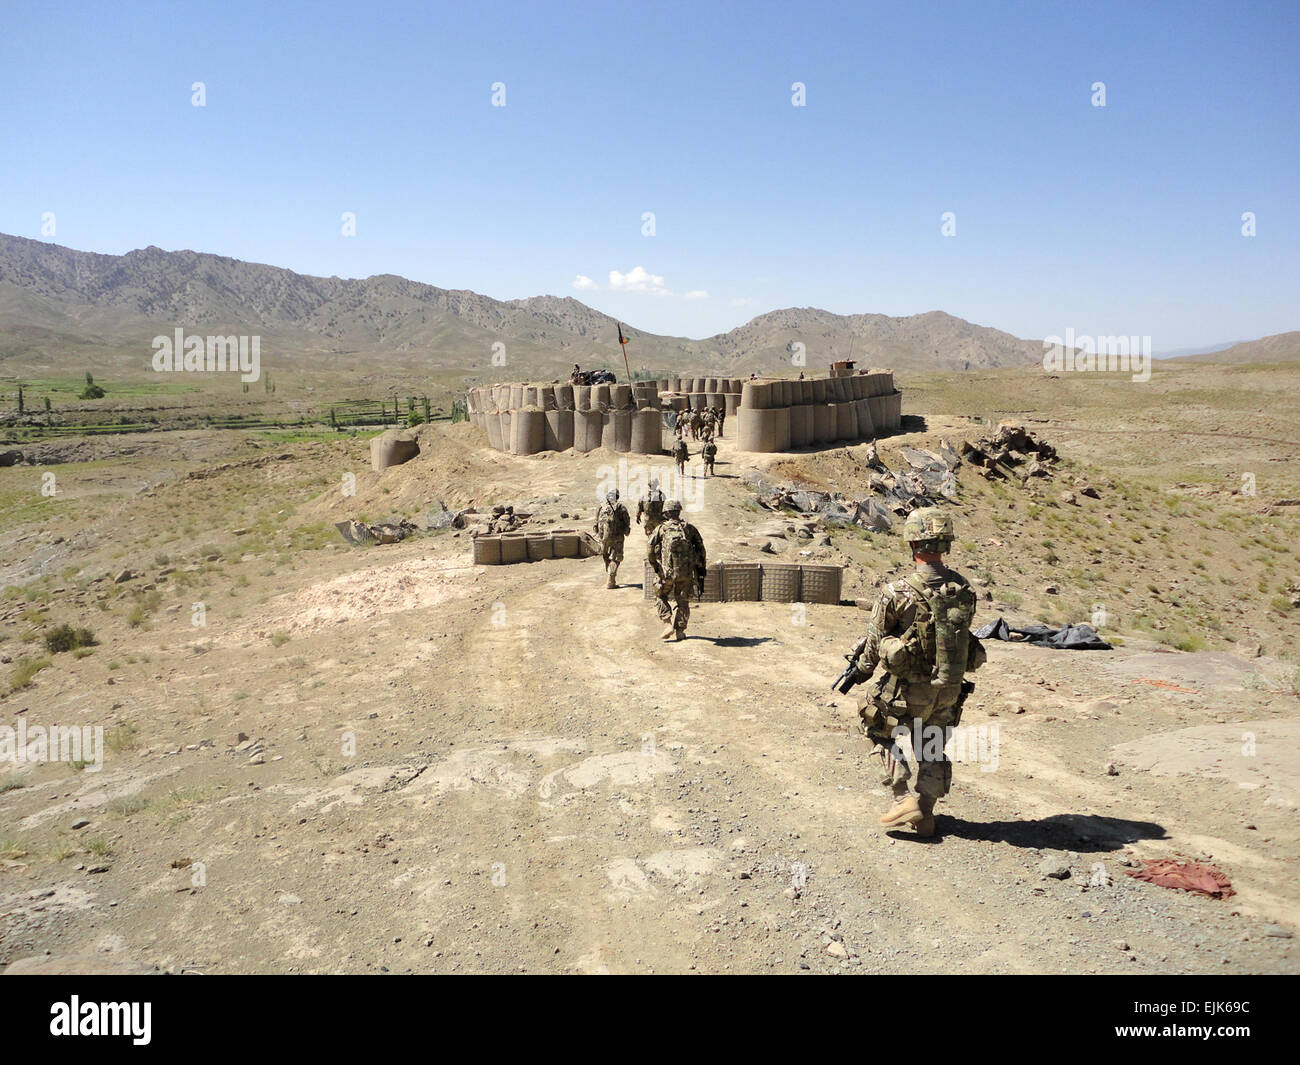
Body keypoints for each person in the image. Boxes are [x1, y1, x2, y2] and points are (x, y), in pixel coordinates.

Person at [843, 507, 985, 838]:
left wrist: (859, 674)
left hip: (907, 692)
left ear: (912, 543)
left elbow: (874, 647)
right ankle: (926, 813)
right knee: (932, 745)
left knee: (878, 728)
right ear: (944, 544)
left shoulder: (897, 592)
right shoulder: (963, 589)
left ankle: (901, 796)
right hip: (949, 689)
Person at [647, 499, 706, 641]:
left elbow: (650, 549)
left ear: (666, 513)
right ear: (679, 511)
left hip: (666, 572)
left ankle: (667, 623)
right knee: (683, 601)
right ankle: (680, 631)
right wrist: (699, 568)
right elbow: (701, 549)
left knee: (660, 595)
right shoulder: (689, 528)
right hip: (685, 573)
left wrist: (655, 565)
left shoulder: (661, 529)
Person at [593, 489, 631, 589]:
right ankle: (611, 579)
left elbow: (595, 525)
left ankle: (609, 571)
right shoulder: (620, 507)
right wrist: (626, 531)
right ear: (617, 497)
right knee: (616, 558)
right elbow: (627, 521)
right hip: (617, 537)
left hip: (603, 537)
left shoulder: (601, 507)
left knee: (605, 554)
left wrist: (600, 535)